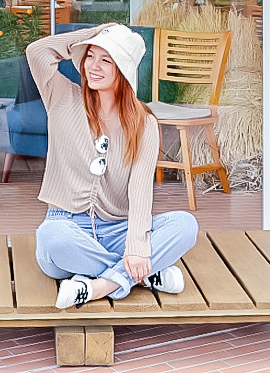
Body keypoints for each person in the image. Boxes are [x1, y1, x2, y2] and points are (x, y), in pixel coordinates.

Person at [28, 24, 198, 309]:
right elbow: (37, 51)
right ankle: (142, 277)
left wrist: (137, 247)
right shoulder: (61, 96)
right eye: (90, 56)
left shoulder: (144, 123)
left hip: (119, 229)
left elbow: (141, 191)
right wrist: (100, 30)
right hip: (69, 226)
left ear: (123, 69)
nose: (93, 66)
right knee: (51, 237)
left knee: (185, 225)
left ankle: (99, 286)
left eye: (106, 60)